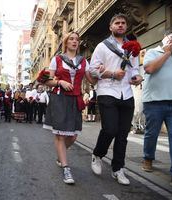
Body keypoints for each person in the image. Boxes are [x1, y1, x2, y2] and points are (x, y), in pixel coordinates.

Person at [89, 13, 143, 185]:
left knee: (122, 135)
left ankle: (118, 168)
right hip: (107, 91)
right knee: (110, 129)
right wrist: (112, 73)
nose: (120, 25)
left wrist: (136, 77)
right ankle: (97, 154)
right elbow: (92, 70)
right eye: (117, 23)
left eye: (123, 23)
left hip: (126, 93)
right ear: (111, 27)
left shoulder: (132, 47)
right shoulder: (102, 47)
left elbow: (134, 69)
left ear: (126, 27)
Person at [43, 31, 95, 184]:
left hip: (75, 100)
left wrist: (102, 73)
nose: (74, 41)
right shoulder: (57, 59)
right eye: (71, 39)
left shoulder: (84, 61)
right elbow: (47, 81)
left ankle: (61, 154)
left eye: (77, 39)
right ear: (66, 42)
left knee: (73, 136)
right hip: (59, 98)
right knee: (60, 135)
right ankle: (66, 168)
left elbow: (92, 80)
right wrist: (60, 82)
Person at [141, 29, 172, 186]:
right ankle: (148, 158)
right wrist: (167, 53)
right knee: (151, 133)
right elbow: (149, 69)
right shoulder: (153, 52)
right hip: (154, 102)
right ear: (166, 38)